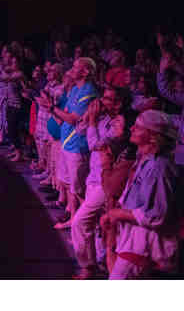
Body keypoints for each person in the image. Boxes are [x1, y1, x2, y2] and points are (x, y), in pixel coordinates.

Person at [100, 110, 180, 279]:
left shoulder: (159, 168)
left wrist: (118, 214)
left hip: (143, 243)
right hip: (134, 238)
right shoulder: (145, 159)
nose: (132, 128)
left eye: (138, 127)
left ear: (153, 137)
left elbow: (156, 215)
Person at [70, 86, 128, 279]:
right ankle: (99, 263)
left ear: (118, 104)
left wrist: (93, 122)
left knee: (80, 221)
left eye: (108, 99)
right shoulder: (101, 118)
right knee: (95, 226)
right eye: (103, 97)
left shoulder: (119, 123)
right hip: (93, 178)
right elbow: (79, 130)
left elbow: (94, 145)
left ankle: (87, 266)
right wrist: (89, 116)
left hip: (107, 181)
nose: (102, 101)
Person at [41, 57, 98, 229]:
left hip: (77, 146)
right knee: (69, 185)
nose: (71, 69)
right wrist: (51, 107)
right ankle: (73, 218)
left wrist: (52, 108)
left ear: (85, 72)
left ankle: (85, 225)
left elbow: (72, 119)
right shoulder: (74, 90)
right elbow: (64, 114)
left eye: (75, 67)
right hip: (66, 143)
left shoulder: (88, 92)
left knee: (79, 189)